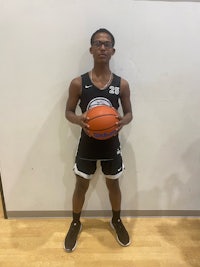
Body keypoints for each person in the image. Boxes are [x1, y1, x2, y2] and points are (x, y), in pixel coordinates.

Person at [64, 28, 133, 252]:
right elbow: (68, 113)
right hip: (88, 143)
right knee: (80, 185)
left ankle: (116, 220)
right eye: (98, 43)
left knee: (113, 184)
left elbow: (130, 114)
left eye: (107, 44)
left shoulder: (122, 84)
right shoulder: (78, 83)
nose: (102, 47)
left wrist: (122, 121)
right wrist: (79, 119)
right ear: (91, 49)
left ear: (113, 50)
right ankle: (75, 222)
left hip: (111, 143)